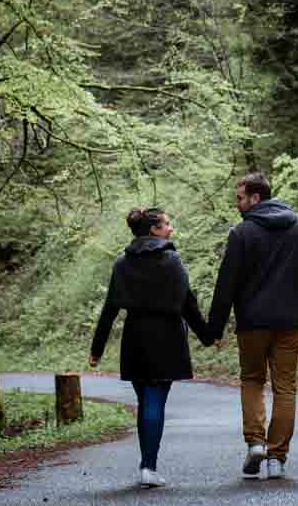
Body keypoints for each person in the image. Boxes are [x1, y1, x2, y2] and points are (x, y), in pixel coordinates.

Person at [206, 171, 298, 480]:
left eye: (239, 198)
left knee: (252, 380)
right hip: (290, 322)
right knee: (285, 387)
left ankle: (256, 443)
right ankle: (277, 458)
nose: (237, 203)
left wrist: (215, 328)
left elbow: (226, 286)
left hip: (253, 323)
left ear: (255, 198)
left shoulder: (242, 233)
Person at [89, 206, 213, 488]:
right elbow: (188, 303)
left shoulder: (122, 263)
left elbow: (110, 308)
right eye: (167, 224)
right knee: (154, 401)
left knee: (146, 401)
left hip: (135, 337)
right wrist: (207, 336)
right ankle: (148, 466)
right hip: (166, 337)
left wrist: (97, 348)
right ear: (154, 230)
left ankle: (147, 464)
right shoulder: (172, 260)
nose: (171, 229)